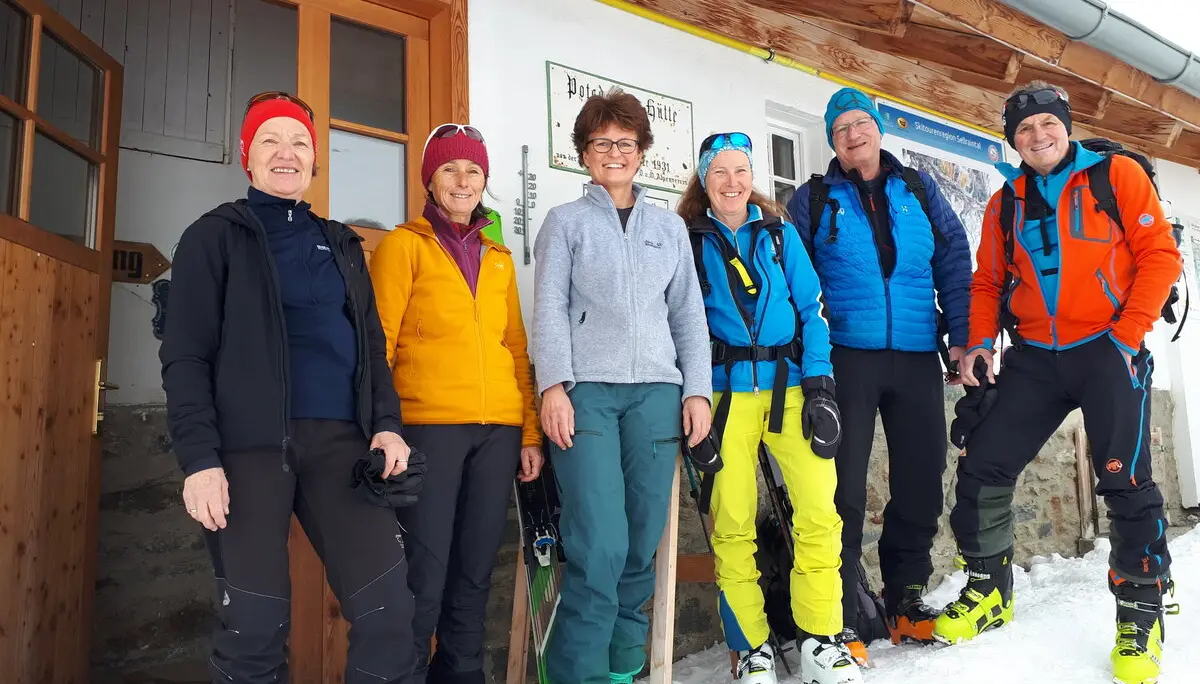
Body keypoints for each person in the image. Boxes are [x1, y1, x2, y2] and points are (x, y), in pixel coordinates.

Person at [159, 91, 416, 684]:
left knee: (390, 614)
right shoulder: (213, 236)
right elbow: (185, 356)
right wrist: (199, 460)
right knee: (253, 627)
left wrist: (387, 426)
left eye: (300, 142)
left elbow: (371, 349)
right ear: (247, 157)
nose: (286, 153)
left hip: (342, 447)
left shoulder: (342, 245)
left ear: (314, 160)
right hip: (247, 450)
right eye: (270, 140)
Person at [934, 81, 1183, 684]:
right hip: (1036, 357)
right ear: (1012, 141)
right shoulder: (1005, 203)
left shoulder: (1115, 176)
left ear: (1066, 127)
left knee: (1124, 480)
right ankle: (989, 590)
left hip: (1108, 349)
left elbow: (1160, 256)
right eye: (1023, 129)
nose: (1038, 135)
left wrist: (1127, 337)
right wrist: (978, 343)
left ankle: (1142, 608)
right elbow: (987, 281)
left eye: (1048, 123)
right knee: (983, 463)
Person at [786, 86, 973, 664]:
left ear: (878, 128)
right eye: (840, 129)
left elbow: (953, 259)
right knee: (839, 486)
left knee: (921, 477)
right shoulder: (812, 199)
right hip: (846, 355)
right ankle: (839, 607)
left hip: (917, 353)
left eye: (860, 123)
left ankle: (906, 596)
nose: (852, 135)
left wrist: (961, 336)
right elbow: (795, 280)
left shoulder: (918, 188)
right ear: (831, 141)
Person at [531, 87, 713, 684]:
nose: (615, 153)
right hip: (587, 395)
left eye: (626, 143)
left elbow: (688, 314)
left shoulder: (668, 227)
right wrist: (553, 387)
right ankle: (577, 674)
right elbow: (548, 309)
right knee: (600, 543)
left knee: (640, 542)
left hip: (657, 395)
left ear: (642, 152)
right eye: (602, 143)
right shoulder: (565, 223)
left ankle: (621, 668)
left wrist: (696, 391)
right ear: (584, 153)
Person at [677, 132, 861, 684]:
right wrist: (692, 396)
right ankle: (751, 648)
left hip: (792, 388)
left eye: (740, 171)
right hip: (724, 397)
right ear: (704, 180)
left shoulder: (779, 234)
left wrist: (821, 385)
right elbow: (679, 323)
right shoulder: (687, 240)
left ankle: (821, 639)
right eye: (719, 172)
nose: (732, 182)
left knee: (819, 513)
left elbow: (812, 308)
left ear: (751, 177)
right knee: (732, 522)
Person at [369, 123, 543, 684]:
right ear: (430, 179)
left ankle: (462, 675)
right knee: (423, 574)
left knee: (474, 575)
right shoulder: (402, 246)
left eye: (473, 171)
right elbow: (377, 343)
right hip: (428, 429)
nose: (463, 181)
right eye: (450, 169)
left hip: (497, 433)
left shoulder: (498, 257)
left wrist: (529, 433)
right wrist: (378, 425)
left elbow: (515, 347)